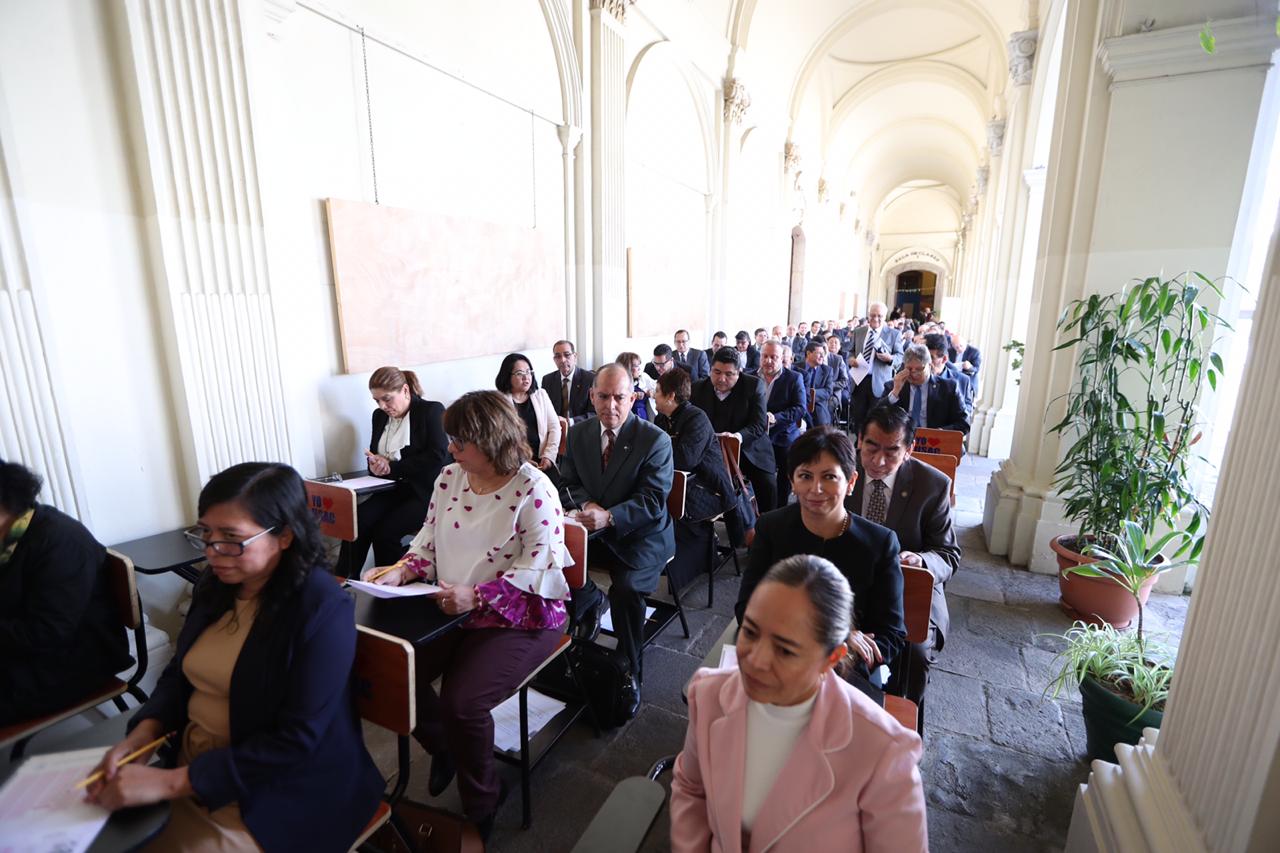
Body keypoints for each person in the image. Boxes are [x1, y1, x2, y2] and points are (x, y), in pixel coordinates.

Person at [88, 463, 383, 852]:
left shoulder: (321, 609)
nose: (212, 552)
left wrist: (170, 783)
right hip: (194, 764)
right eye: (205, 534)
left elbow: (296, 742)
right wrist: (145, 734)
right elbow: (181, 673)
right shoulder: (218, 584)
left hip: (279, 789)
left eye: (231, 538)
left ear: (285, 536)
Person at [366, 391, 571, 836]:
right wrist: (402, 571)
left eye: (460, 441)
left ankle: (483, 799)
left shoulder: (534, 489)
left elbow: (536, 571)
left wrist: (475, 597)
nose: (452, 449)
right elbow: (428, 539)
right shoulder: (449, 477)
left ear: (492, 439)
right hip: (454, 606)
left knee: (463, 702)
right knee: (391, 669)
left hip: (523, 615)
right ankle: (445, 746)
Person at [673, 555, 927, 852]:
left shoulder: (883, 751)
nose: (755, 661)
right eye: (750, 632)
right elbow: (691, 789)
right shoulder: (708, 696)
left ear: (831, 659)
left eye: (785, 650)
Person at [736, 428, 906, 683]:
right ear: (792, 482)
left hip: (846, 671)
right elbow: (747, 606)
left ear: (850, 482)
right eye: (805, 476)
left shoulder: (879, 543)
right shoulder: (771, 528)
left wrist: (842, 654)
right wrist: (835, 634)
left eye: (829, 477)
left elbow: (891, 634)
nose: (815, 489)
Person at [560, 365, 675, 714]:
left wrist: (610, 516)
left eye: (619, 397)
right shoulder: (579, 434)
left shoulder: (654, 439)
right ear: (592, 396)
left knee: (625, 589)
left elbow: (653, 501)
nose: (611, 405)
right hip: (593, 528)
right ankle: (588, 603)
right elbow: (567, 481)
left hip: (642, 533)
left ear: (633, 398)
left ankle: (630, 670)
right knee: (551, 562)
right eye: (603, 396)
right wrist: (586, 505)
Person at [0, 461, 132, 726]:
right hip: (25, 650)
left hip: (74, 660)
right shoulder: (10, 537)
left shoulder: (61, 541)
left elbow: (46, 634)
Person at [848, 404, 960, 706]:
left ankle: (899, 721)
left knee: (916, 653)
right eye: (870, 447)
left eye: (891, 451)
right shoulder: (842, 471)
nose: (878, 460)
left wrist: (922, 561)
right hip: (847, 584)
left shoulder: (932, 485)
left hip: (908, 591)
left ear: (909, 449)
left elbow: (948, 554)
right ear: (859, 439)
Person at [339, 366, 449, 576]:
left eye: (387, 399)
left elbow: (437, 457)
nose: (382, 406)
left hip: (427, 491)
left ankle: (391, 589)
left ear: (405, 391)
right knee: (358, 521)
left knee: (385, 532)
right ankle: (343, 581)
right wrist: (376, 463)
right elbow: (377, 454)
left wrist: (392, 466)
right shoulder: (379, 416)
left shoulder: (431, 410)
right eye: (377, 400)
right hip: (393, 488)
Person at [690, 348, 777, 513]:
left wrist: (737, 437)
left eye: (729, 374)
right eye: (716, 372)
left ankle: (768, 523)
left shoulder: (753, 386)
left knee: (768, 484)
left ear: (739, 372)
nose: (721, 379)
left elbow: (758, 425)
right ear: (710, 369)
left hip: (749, 449)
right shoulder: (697, 389)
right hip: (712, 452)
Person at [653, 368, 736, 522]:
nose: (653, 395)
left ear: (670, 396)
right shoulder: (661, 419)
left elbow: (684, 461)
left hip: (707, 486)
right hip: (677, 482)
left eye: (657, 391)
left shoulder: (696, 418)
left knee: (661, 511)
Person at [757, 341, 806, 505]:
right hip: (756, 433)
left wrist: (776, 418)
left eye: (773, 357)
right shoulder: (751, 376)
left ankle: (780, 508)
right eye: (765, 356)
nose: (768, 361)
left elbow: (800, 409)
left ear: (782, 358)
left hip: (782, 433)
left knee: (784, 471)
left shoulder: (793, 378)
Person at [883, 343, 971, 434]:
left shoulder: (948, 387)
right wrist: (895, 392)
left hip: (936, 441)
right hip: (902, 440)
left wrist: (941, 432)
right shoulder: (893, 386)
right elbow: (876, 416)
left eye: (919, 369)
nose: (914, 373)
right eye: (909, 369)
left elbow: (964, 423)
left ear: (929, 366)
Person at [496, 352, 561, 469]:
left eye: (528, 372)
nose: (526, 377)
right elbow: (499, 439)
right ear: (507, 376)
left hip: (542, 460)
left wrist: (549, 456)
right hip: (513, 464)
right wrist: (520, 460)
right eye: (520, 373)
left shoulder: (541, 395)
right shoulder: (499, 401)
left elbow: (555, 427)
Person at [849, 302, 905, 432]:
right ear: (868, 315)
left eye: (879, 316)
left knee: (875, 418)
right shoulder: (859, 331)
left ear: (885, 317)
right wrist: (850, 359)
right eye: (872, 315)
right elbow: (850, 351)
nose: (875, 319)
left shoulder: (893, 334)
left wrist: (890, 358)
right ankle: (859, 444)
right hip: (859, 380)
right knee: (858, 417)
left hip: (880, 383)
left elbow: (900, 357)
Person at [542, 339, 595, 423]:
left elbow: (594, 413)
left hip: (581, 428)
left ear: (575, 356)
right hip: (555, 429)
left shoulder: (590, 379)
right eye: (558, 356)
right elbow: (544, 411)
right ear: (554, 359)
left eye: (567, 355)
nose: (562, 360)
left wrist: (571, 421)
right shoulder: (547, 380)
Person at [924, 333, 973, 414]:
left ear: (944, 359)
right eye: (925, 358)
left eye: (931, 358)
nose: (927, 362)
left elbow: (966, 415)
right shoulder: (916, 378)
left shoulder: (962, 381)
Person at [802, 341, 835, 427]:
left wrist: (811, 394)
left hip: (818, 404)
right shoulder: (796, 367)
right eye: (819, 353)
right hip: (799, 403)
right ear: (809, 353)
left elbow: (828, 391)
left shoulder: (827, 370)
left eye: (823, 354)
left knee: (821, 423)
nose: (822, 356)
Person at [618, 350, 658, 420]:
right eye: (636, 366)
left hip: (644, 417)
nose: (639, 368)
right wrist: (633, 395)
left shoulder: (643, 377)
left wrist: (652, 392)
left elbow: (658, 388)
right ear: (628, 367)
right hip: (625, 418)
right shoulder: (617, 382)